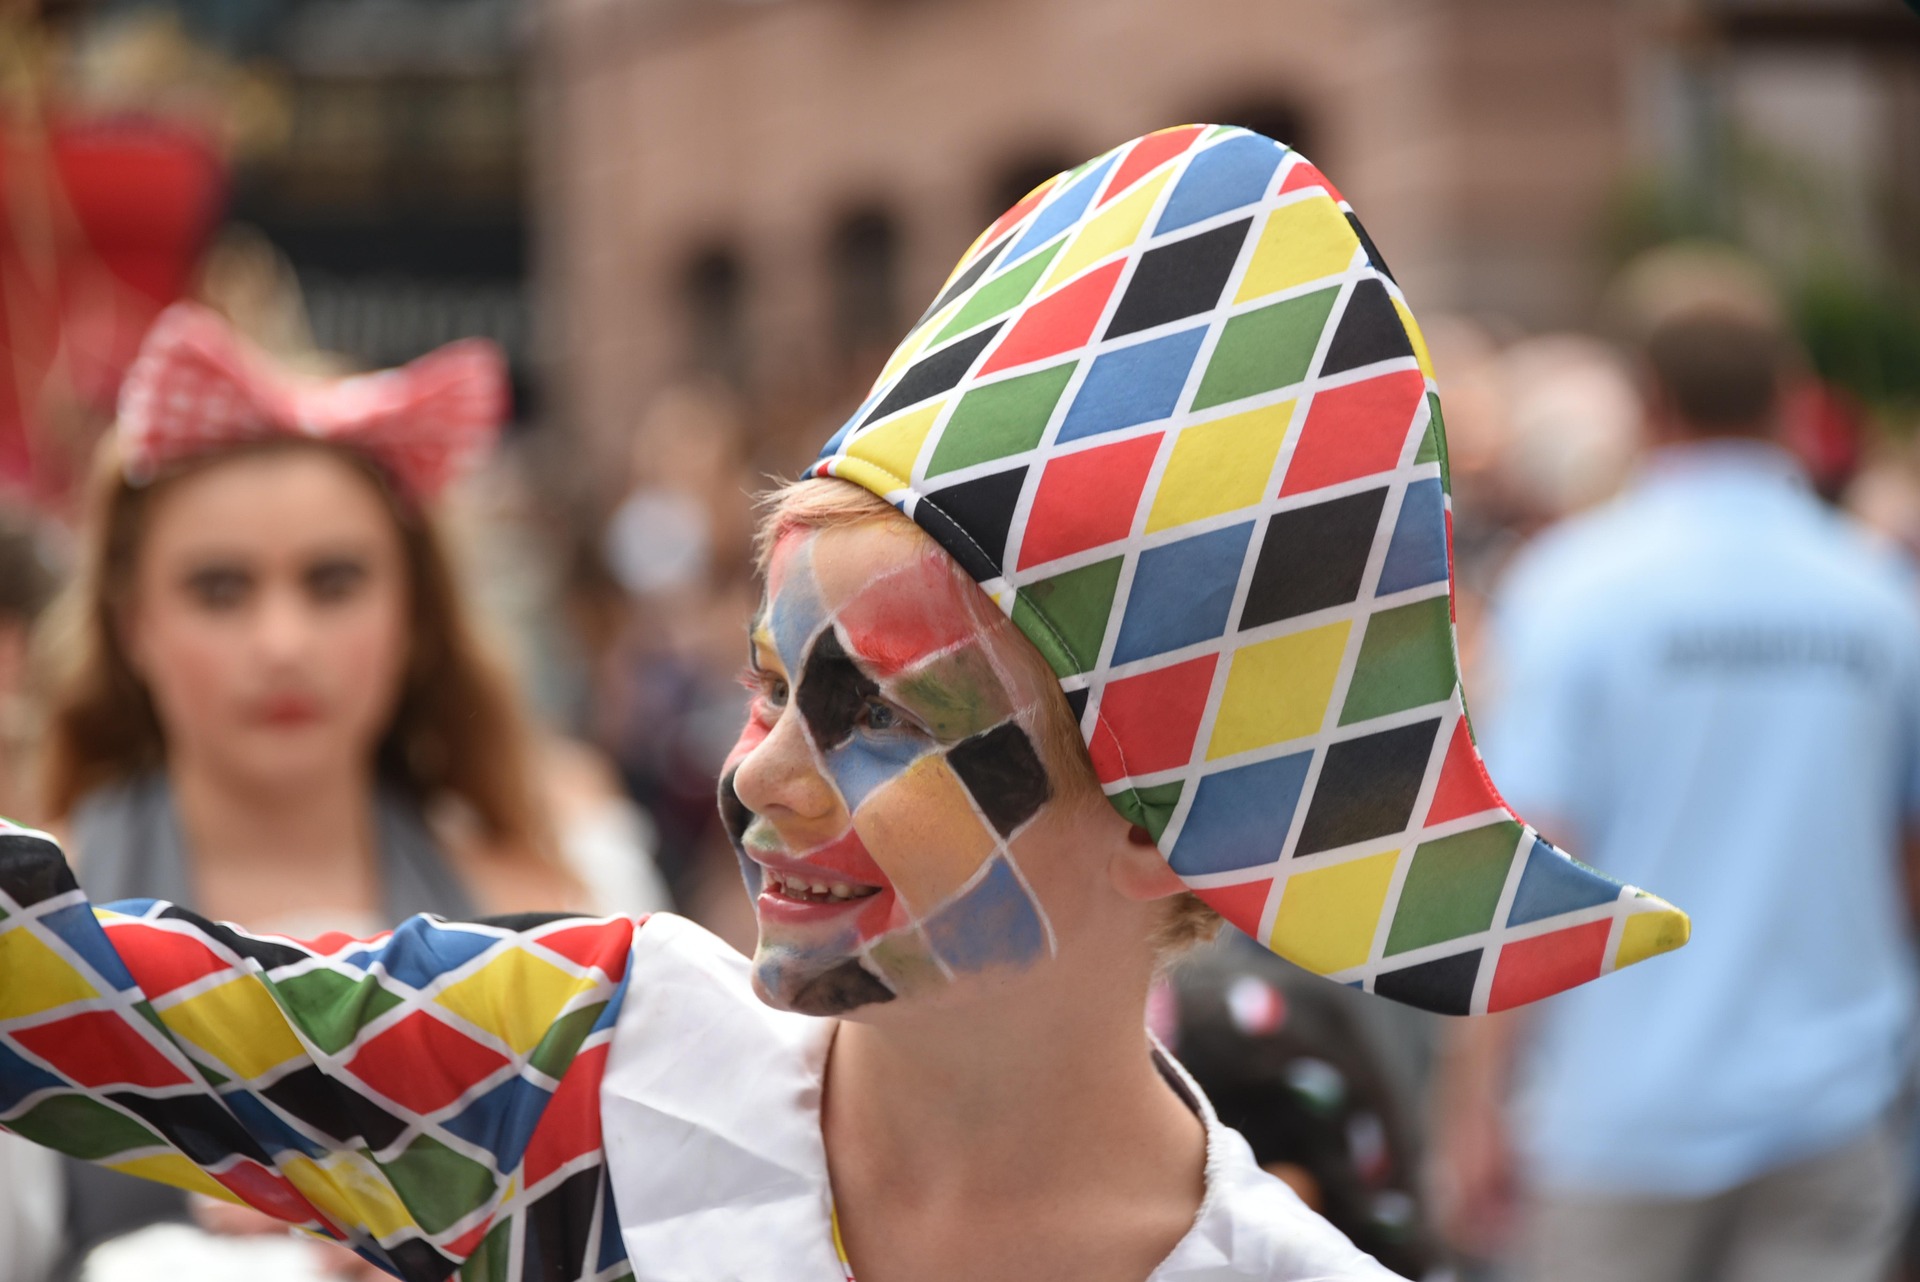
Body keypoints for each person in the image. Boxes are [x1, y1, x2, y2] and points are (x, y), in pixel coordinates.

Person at [0, 126, 1685, 1282]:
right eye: (765, 685)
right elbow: (74, 1006)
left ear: (1185, 826)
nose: (763, 780)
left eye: (885, 715)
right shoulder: (584, 1067)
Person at [29, 303, 591, 1267]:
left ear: (414, 615)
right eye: (220, 588)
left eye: (333, 582)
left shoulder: (552, 920)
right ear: (133, 627)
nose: (281, 644)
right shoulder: (28, 946)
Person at [1433, 249, 1920, 1282]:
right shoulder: (1875, 596)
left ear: (1648, 402)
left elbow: (1529, 866)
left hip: (1620, 1107)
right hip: (1828, 1094)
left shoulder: (1571, 591)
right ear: (1787, 397)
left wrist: (1473, 1102)